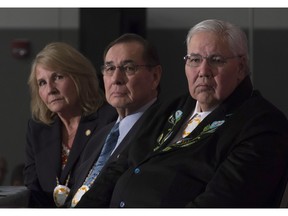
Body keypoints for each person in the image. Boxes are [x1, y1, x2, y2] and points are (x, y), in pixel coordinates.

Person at [76, 19, 288, 208]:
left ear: (241, 67)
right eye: (194, 60)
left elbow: (219, 204)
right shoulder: (173, 107)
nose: (203, 71)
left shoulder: (263, 126)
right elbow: (118, 168)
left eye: (216, 60)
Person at [64, 33, 162, 207]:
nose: (116, 79)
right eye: (110, 69)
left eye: (128, 68)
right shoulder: (99, 136)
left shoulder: (163, 132)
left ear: (154, 76)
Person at [24, 42, 117, 207]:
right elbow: (33, 191)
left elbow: (108, 189)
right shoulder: (38, 129)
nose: (50, 89)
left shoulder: (108, 120)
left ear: (79, 78)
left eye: (58, 77)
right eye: (42, 83)